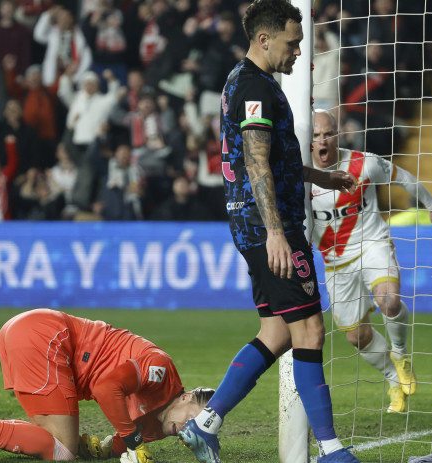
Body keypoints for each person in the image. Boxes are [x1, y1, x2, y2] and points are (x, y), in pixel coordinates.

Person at [177, 2, 359, 462]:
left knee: (277, 332)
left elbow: (266, 160)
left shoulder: (242, 81)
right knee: (311, 331)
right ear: (264, 39)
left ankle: (206, 421)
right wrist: (277, 232)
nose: (300, 51)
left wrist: (318, 178)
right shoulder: (255, 88)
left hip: (253, 225)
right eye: (292, 42)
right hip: (270, 228)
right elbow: (256, 161)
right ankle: (333, 451)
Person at [0, 308, 214, 462]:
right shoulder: (160, 368)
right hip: (47, 338)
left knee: (51, 442)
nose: (189, 427)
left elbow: (122, 441)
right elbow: (107, 387)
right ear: (186, 396)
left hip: (35, 337)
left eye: (196, 427)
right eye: (192, 417)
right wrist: (135, 443)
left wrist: (102, 449)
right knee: (61, 450)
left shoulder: (162, 423)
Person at [309, 110, 432, 414]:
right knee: (356, 336)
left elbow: (404, 178)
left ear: (339, 134)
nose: (323, 141)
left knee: (389, 301)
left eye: (328, 134)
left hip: (372, 243)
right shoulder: (300, 177)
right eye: (316, 135)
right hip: (336, 264)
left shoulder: (365, 163)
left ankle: (401, 356)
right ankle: (392, 379)